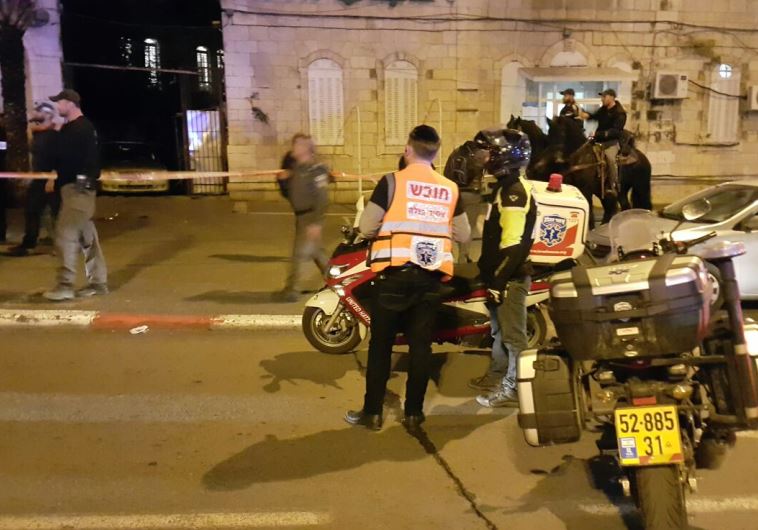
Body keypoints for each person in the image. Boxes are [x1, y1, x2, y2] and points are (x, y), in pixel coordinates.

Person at [345, 125, 471, 431]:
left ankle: (373, 414)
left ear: (407, 149)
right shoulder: (450, 189)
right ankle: (414, 414)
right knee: (421, 348)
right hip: (430, 280)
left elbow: (367, 227)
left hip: (393, 276)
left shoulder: (391, 182)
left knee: (381, 347)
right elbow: (464, 234)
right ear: (436, 154)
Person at [470, 128, 537, 408]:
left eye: (488, 153)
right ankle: (498, 375)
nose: (482, 157)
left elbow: (514, 245)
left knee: (514, 337)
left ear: (504, 157)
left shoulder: (513, 194)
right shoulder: (504, 187)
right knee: (498, 332)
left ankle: (515, 390)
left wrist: (498, 282)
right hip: (499, 276)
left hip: (510, 278)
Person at [43, 89, 108, 301]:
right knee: (87, 238)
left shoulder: (82, 128)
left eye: (59, 102)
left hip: (78, 191)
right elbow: (62, 159)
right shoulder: (70, 128)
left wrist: (82, 183)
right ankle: (98, 283)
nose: (57, 106)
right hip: (72, 190)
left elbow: (91, 161)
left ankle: (65, 285)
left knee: (65, 235)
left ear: (70, 103)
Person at [273, 133, 330, 303]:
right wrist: (283, 181)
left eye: (297, 145)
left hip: (310, 217)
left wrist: (316, 223)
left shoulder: (315, 170)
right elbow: (289, 193)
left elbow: (322, 198)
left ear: (305, 148)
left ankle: (292, 290)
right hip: (301, 216)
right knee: (317, 253)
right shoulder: (297, 169)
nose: (293, 148)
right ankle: (337, 281)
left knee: (298, 254)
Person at [8, 102, 60, 257]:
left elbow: (58, 158)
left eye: (39, 111)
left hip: (49, 178)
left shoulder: (55, 136)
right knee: (32, 210)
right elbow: (35, 156)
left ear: (48, 115)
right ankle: (29, 244)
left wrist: (52, 178)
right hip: (38, 177)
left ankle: (61, 245)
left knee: (54, 213)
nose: (35, 113)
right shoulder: (38, 134)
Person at [443, 140, 488, 263]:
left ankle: (449, 256)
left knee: (451, 227)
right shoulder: (479, 154)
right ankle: (463, 257)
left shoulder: (455, 153)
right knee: (468, 228)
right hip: (471, 195)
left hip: (453, 194)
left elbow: (446, 173)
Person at [580, 88, 627, 198]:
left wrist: (598, 134)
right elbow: (595, 116)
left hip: (611, 142)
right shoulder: (603, 109)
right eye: (602, 97)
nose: (602, 99)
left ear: (612, 97)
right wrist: (587, 116)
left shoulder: (620, 113)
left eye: (604, 97)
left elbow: (616, 131)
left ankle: (613, 184)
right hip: (598, 140)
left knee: (610, 159)